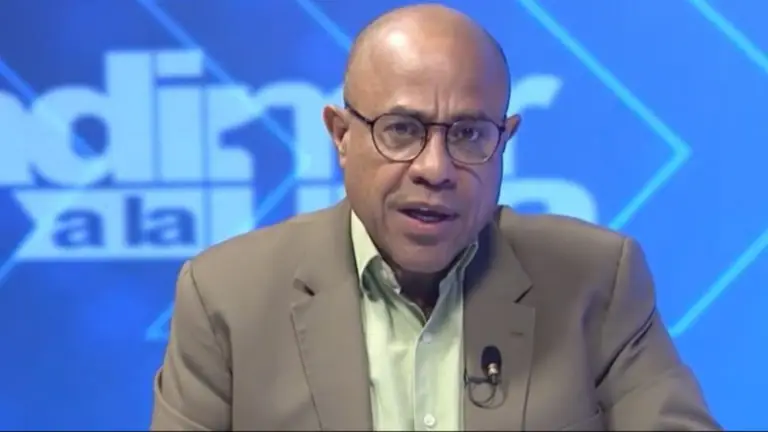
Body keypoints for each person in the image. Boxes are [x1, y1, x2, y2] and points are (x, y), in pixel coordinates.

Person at [150, 4, 721, 431]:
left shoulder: (596, 281)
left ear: (505, 140)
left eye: (469, 134)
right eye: (401, 130)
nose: (435, 168)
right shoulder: (227, 297)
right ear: (341, 135)